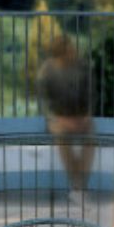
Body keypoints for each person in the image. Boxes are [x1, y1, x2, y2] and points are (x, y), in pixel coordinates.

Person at [36, 36, 94, 190]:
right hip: (57, 119)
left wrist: (86, 116)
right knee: (62, 136)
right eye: (69, 51)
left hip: (79, 117)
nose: (73, 53)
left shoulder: (82, 66)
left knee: (91, 135)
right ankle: (78, 184)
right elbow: (44, 104)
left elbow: (90, 95)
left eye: (72, 49)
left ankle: (79, 182)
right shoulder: (46, 72)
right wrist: (61, 120)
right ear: (59, 56)